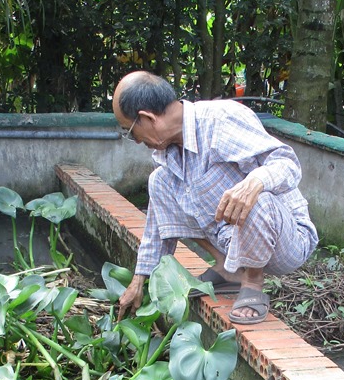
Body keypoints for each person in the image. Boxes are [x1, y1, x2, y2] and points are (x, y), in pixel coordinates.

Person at [112, 71, 318, 324]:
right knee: (160, 181)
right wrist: (139, 279)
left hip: (286, 239)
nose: (135, 141)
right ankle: (227, 268)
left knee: (257, 194)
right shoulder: (170, 155)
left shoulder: (221, 121)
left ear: (147, 118)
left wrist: (255, 182)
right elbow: (156, 227)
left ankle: (252, 281)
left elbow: (287, 162)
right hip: (232, 239)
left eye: (130, 131)